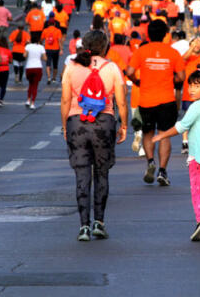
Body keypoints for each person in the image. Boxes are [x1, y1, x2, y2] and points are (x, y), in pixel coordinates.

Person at [60, 30, 127, 241]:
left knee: (81, 175)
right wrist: (123, 125)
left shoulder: (72, 67)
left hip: (76, 123)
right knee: (102, 173)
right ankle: (99, 222)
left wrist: (65, 126)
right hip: (103, 123)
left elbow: (64, 101)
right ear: (105, 46)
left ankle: (83, 227)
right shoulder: (112, 68)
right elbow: (121, 102)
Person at [153, 71, 200, 241]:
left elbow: (181, 126)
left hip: (198, 155)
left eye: (197, 86)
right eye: (190, 86)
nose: (192, 90)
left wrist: (161, 136)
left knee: (197, 191)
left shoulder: (196, 106)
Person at [126, 19, 185, 186]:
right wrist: (170, 79)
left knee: (148, 133)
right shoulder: (172, 52)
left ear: (149, 35)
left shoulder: (141, 51)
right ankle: (163, 171)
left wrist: (137, 81)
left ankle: (150, 161)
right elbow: (181, 77)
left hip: (146, 100)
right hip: (167, 99)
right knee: (164, 134)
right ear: (166, 35)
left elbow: (129, 71)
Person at [24, 34, 47, 109]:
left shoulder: (28, 46)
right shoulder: (41, 47)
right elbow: (45, 58)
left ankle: (28, 99)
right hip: (38, 67)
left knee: (30, 84)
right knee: (35, 85)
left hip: (29, 67)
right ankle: (32, 103)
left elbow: (24, 55)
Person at [41, 20, 64, 84]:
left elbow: (41, 39)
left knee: (48, 64)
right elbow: (59, 41)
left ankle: (48, 78)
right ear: (54, 24)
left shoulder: (45, 30)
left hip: (47, 49)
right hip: (56, 49)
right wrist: (61, 49)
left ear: (48, 24)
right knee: (55, 64)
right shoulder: (58, 31)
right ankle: (54, 78)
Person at [0, 36, 13, 106]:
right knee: (3, 86)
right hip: (5, 69)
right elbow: (11, 61)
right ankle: (1, 100)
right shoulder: (8, 51)